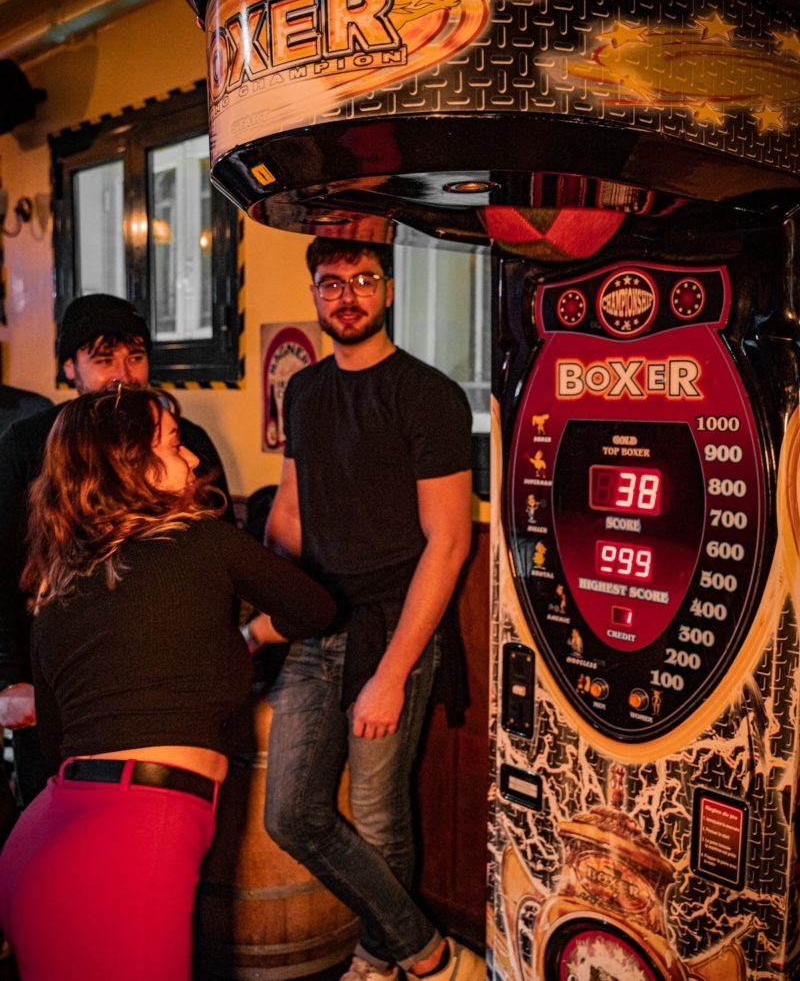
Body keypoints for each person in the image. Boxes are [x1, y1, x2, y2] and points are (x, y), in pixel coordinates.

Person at [0, 386, 336, 981]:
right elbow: (315, 609)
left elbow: (56, 748)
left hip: (39, 842)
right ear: (134, 467)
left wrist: (238, 642)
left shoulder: (58, 593)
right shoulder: (203, 539)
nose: (192, 463)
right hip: (137, 836)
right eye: (175, 446)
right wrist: (253, 636)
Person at [264, 238, 483, 981]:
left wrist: (391, 673)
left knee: (379, 812)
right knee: (292, 813)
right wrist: (264, 601)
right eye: (331, 282)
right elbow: (290, 511)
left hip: (394, 625)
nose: (347, 294)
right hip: (314, 620)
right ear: (316, 293)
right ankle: (427, 952)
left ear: (388, 289)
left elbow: (450, 542)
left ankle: (378, 954)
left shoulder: (426, 393)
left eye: (363, 280)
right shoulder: (302, 391)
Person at [0, 293, 234, 807]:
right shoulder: (27, 443)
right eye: (103, 359)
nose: (123, 374)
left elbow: (223, 558)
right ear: (70, 368)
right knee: (56, 825)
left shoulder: (185, 441)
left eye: (135, 356)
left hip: (165, 685)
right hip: (60, 685)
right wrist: (10, 679)